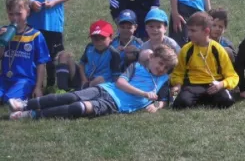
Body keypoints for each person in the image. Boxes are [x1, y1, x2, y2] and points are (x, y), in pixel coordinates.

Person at [9, 45, 177, 120]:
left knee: (79, 108)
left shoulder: (163, 80)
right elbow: (120, 83)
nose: (161, 68)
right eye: (160, 63)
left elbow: (164, 99)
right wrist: (144, 94)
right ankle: (24, 105)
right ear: (152, 57)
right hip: (106, 89)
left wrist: (156, 106)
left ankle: (33, 115)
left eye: (166, 67)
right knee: (71, 97)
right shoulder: (136, 67)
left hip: (115, 105)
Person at [170, 12, 238, 109]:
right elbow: (178, 73)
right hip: (193, 85)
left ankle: (203, 100)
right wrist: (177, 84)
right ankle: (202, 100)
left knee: (227, 101)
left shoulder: (217, 49)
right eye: (189, 30)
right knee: (181, 103)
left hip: (214, 85)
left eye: (193, 31)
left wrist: (221, 84)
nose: (189, 34)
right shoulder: (186, 49)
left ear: (206, 31)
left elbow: (232, 76)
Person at [0, 0, 49, 102]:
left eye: (19, 14)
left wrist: (38, 87)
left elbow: (41, 64)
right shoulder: (4, 32)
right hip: (5, 78)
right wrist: (1, 42)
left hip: (25, 80)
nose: (15, 18)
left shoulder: (35, 35)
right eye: (11, 14)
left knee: (9, 99)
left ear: (28, 12)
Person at [55, 20, 121, 91]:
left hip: (98, 84)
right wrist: (84, 79)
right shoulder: (90, 47)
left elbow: (115, 77)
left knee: (99, 80)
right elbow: (81, 64)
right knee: (64, 55)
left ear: (110, 38)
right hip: (83, 78)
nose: (99, 42)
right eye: (95, 39)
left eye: (103, 38)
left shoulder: (114, 53)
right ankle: (63, 89)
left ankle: (81, 91)